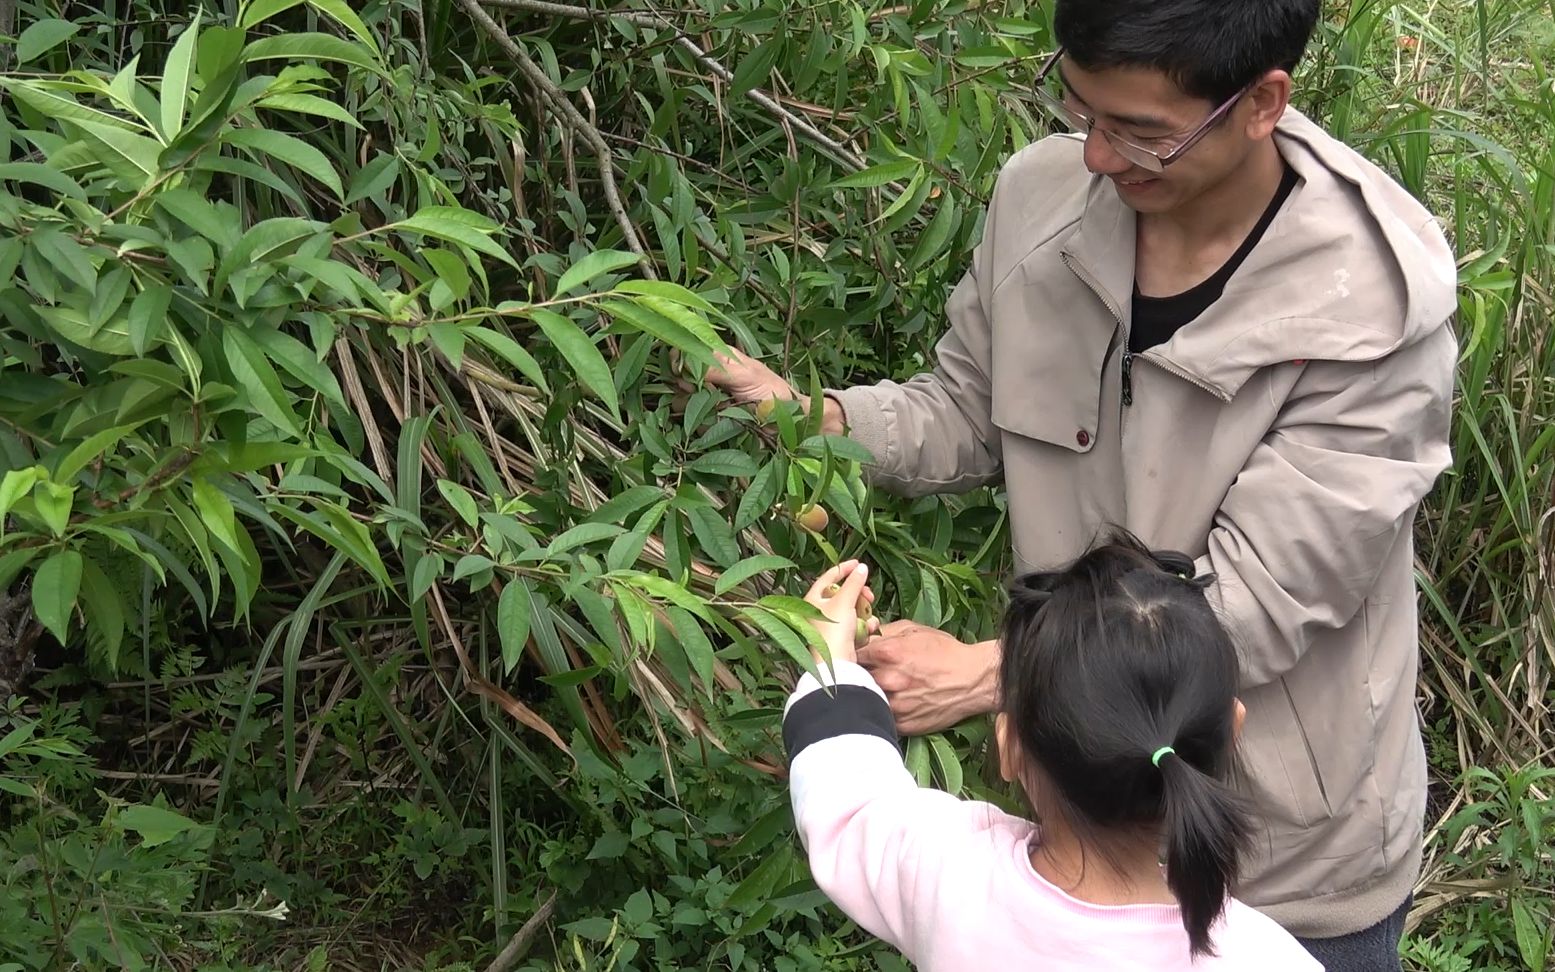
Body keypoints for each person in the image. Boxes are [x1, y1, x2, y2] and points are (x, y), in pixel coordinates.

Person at [711, 0, 1458, 966]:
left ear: (1261, 102)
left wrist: (996, 675)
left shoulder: (1372, 310)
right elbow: (967, 403)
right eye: (1080, 110)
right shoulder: (1041, 197)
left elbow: (1259, 600)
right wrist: (816, 422)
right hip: (1089, 815)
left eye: (1142, 134)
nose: (1099, 159)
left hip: (1276, 847)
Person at [783, 540, 1321, 970]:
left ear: (1010, 746)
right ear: (1233, 728)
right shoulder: (1261, 956)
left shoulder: (954, 881)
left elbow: (851, 802)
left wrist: (832, 661)